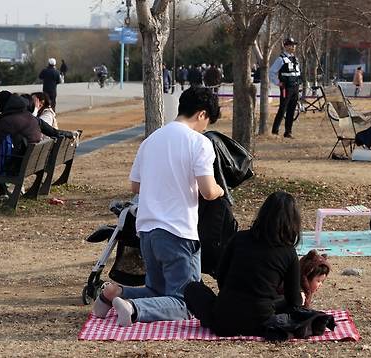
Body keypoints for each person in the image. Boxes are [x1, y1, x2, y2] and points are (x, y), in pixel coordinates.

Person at [91, 87, 224, 326]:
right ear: (202, 114)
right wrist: (221, 190)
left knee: (157, 292)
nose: (206, 128)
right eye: (208, 122)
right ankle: (133, 309)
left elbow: (135, 185)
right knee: (186, 303)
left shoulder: (151, 140)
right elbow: (208, 190)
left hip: (148, 231)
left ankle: (115, 294)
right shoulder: (199, 143)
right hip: (178, 231)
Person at [183, 191, 303, 337]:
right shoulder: (289, 253)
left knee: (192, 288)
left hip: (223, 322)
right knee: (275, 300)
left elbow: (221, 277)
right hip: (262, 323)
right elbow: (294, 302)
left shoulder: (239, 238)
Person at [270, 37, 302, 139]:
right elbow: (272, 72)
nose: (293, 47)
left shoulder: (295, 59)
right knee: (283, 109)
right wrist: (278, 82)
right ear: (286, 46)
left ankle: (288, 132)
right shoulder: (281, 59)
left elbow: (296, 72)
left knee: (292, 109)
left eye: (294, 45)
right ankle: (275, 131)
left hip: (295, 87)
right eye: (291, 45)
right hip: (286, 88)